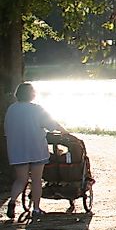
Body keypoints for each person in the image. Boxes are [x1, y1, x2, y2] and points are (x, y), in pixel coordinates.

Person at [4, 82, 68, 220]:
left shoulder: (11, 109)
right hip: (35, 148)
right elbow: (51, 124)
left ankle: (12, 201)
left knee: (21, 179)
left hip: (17, 149)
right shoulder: (36, 109)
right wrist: (63, 131)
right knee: (36, 179)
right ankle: (36, 209)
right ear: (31, 94)